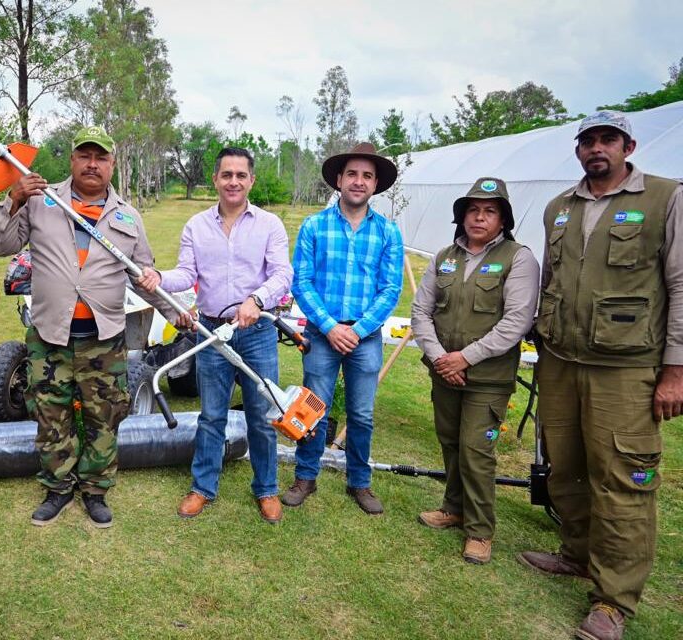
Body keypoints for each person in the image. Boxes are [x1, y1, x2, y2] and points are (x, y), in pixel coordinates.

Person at [518, 111, 683, 640]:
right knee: (565, 465)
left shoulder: (664, 198)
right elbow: (552, 280)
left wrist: (675, 370)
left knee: (622, 478)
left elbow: (680, 285)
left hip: (625, 366)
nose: (597, 149)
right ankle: (576, 553)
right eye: (588, 141)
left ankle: (613, 601)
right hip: (561, 360)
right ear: (578, 150)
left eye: (607, 140)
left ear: (628, 145)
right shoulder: (559, 208)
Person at [0, 125, 178, 529]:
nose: (92, 164)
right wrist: (14, 198)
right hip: (48, 335)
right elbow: (3, 246)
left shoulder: (127, 215)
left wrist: (176, 313)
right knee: (49, 412)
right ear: (72, 159)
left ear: (112, 164)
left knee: (104, 416)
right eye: (84, 156)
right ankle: (58, 488)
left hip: (103, 336)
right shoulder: (41, 200)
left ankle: (95, 490)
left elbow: (141, 274)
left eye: (101, 157)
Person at [138, 147, 293, 524]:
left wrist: (256, 299)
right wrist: (159, 278)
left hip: (256, 332)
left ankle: (267, 488)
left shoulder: (269, 225)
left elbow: (283, 275)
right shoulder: (197, 226)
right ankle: (202, 487)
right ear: (216, 180)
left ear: (251, 180)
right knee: (211, 415)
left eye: (241, 175)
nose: (234, 181)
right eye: (227, 175)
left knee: (262, 414)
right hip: (211, 332)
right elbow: (185, 273)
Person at [410, 177, 539, 564]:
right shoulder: (445, 256)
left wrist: (464, 358)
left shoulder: (519, 258)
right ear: (462, 215)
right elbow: (421, 311)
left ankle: (480, 530)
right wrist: (439, 358)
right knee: (450, 442)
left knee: (476, 451)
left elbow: (517, 321)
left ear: (503, 218)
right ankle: (453, 507)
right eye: (473, 210)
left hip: (487, 377)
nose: (479, 217)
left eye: (490, 211)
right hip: (444, 371)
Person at [285, 142, 404, 515]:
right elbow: (301, 282)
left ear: (375, 185)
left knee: (362, 414)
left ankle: (360, 482)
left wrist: (360, 328)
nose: (359, 181)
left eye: (367, 176)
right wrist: (330, 325)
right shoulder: (314, 226)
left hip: (365, 338)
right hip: (323, 334)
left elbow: (390, 289)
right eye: (352, 173)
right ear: (338, 179)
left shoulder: (388, 232)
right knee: (312, 409)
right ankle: (306, 476)